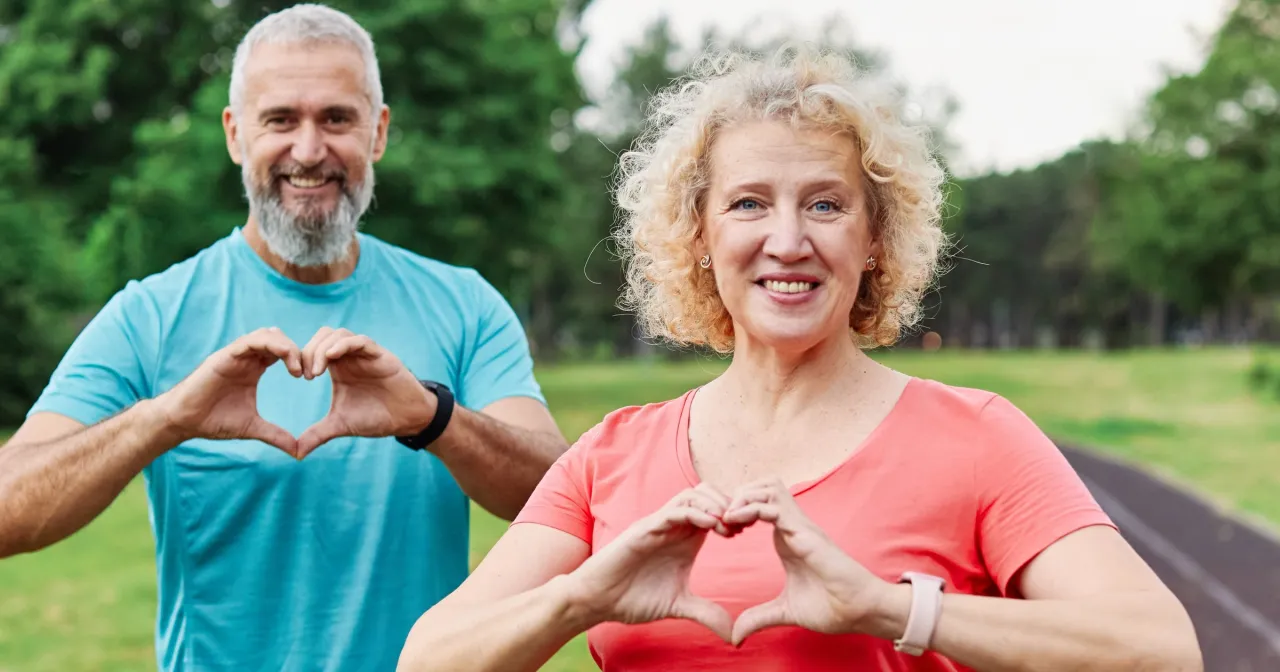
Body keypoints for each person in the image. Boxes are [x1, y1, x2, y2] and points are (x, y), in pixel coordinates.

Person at [395, 46, 1204, 672]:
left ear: (875, 236)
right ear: (700, 237)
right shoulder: (612, 455)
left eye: (825, 203)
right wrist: (579, 598)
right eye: (749, 203)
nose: (788, 241)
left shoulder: (979, 438)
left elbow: (1160, 649)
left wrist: (890, 610)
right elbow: (428, 658)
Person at [0, 4, 567, 671]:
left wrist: (433, 418)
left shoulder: (464, 304)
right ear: (236, 134)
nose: (308, 150)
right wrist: (165, 419)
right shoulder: (149, 316)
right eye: (279, 120)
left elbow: (563, 497)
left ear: (377, 132)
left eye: (336, 118)